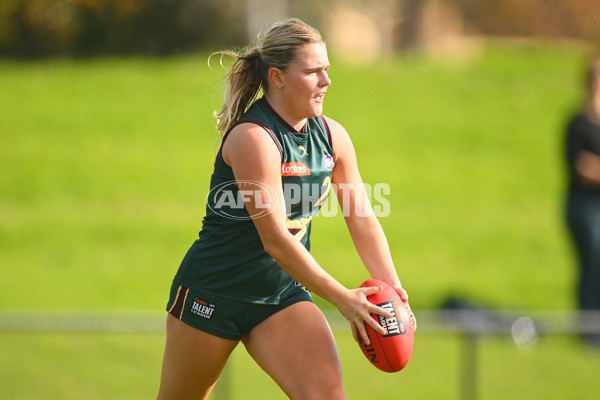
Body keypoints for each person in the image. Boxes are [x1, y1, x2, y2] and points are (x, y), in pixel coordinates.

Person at [157, 18, 415, 400]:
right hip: (214, 293)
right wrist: (342, 298)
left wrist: (394, 291)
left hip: (280, 296)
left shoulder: (332, 136)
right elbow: (275, 241)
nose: (326, 80)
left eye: (327, 69)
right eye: (313, 72)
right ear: (276, 78)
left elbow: (361, 217)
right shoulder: (253, 138)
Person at [565, 55, 600, 348]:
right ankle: (589, 333)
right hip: (584, 209)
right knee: (593, 263)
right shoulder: (578, 123)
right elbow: (583, 168)